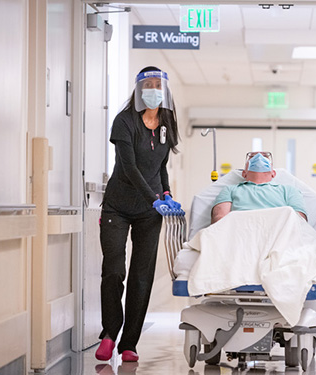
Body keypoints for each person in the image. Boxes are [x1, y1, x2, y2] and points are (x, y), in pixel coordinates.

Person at [95, 66, 182, 363]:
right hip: (118, 207)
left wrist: (166, 193)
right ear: (139, 89)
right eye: (148, 84)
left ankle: (129, 343)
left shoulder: (167, 123)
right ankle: (109, 333)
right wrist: (153, 198)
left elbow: (160, 166)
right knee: (114, 269)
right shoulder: (124, 122)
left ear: (165, 90)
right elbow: (129, 167)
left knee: (141, 277)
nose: (153, 89)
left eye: (158, 84)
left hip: (150, 212)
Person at [211, 151, 307, 223]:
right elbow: (219, 222)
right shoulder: (230, 190)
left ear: (273, 173)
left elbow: (300, 223)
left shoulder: (289, 190)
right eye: (252, 157)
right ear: (244, 173)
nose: (259, 157)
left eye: (265, 156)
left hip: (277, 234)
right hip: (241, 233)